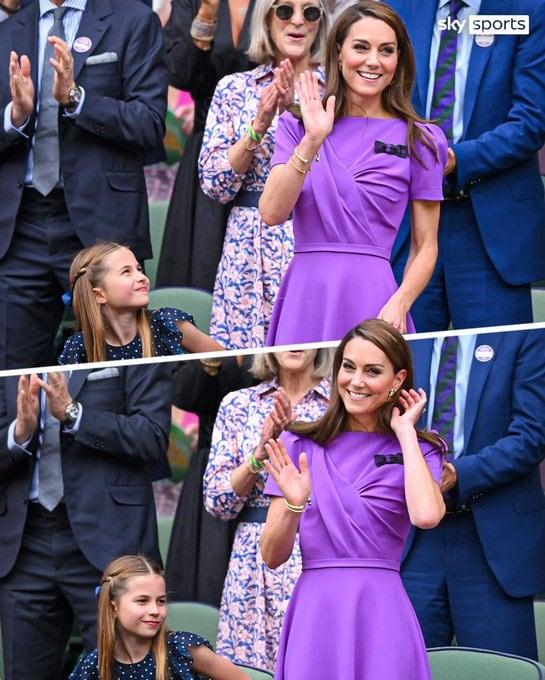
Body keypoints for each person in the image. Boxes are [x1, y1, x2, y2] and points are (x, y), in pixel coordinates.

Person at [261, 319, 446, 679]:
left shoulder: (422, 450)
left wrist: (405, 433)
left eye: (372, 371)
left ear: (398, 379)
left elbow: (426, 516)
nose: (356, 381)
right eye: (348, 367)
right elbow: (271, 555)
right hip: (318, 612)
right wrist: (295, 505)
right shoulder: (299, 445)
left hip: (382, 611)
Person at [260, 1, 447, 345]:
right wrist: (313, 139)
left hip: (375, 299)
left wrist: (400, 302)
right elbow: (272, 212)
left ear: (399, 61)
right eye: (361, 47)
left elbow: (425, 245)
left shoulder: (421, 139)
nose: (373, 61)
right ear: (338, 52)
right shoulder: (297, 123)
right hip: (306, 295)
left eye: (386, 51)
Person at [0, 0, 168, 370]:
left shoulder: (133, 20)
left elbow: (151, 123)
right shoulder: (7, 31)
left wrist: (78, 100)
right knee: (12, 379)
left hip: (103, 225)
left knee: (114, 371)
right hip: (18, 227)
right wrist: (15, 117)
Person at [0, 365, 172, 679]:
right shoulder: (13, 352)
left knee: (122, 671)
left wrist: (74, 413)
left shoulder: (133, 345)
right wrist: (18, 435)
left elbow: (153, 437)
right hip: (23, 545)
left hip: (112, 540)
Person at [388, 0, 545, 331]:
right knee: (403, 361)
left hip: (490, 231)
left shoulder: (526, 10)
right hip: (405, 223)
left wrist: (458, 159)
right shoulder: (397, 7)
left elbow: (532, 120)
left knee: (497, 365)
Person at [401, 328, 545, 659]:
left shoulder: (524, 334)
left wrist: (456, 474)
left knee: (496, 668)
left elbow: (532, 434)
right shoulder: (405, 337)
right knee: (408, 665)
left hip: (494, 542)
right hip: (412, 541)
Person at [199, 0, 328, 348]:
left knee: (317, 361)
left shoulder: (340, 89)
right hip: (248, 243)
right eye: (285, 11)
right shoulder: (233, 89)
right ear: (267, 20)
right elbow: (215, 184)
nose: (298, 21)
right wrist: (260, 124)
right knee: (244, 367)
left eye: (310, 12)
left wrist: (298, 113)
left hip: (318, 235)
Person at [203, 348, 332, 670]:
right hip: (253, 557)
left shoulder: (341, 403)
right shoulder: (239, 404)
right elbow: (217, 503)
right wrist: (258, 456)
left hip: (322, 549)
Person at [156, 0, 256, 293]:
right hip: (209, 151)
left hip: (269, 151)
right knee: (200, 275)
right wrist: (207, 12)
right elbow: (178, 71)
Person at [166, 355, 258, 607]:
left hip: (270, 468)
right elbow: (183, 391)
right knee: (207, 583)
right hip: (212, 467)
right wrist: (215, 354)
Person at [69, 554, 251, 680]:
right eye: (142, 601)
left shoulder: (181, 649)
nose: (155, 610)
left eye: (161, 601)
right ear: (113, 606)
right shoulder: (95, 664)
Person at [58, 242, 224, 364]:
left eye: (139, 269)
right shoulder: (80, 346)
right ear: (100, 295)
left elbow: (230, 363)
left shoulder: (166, 323)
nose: (142, 277)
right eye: (126, 272)